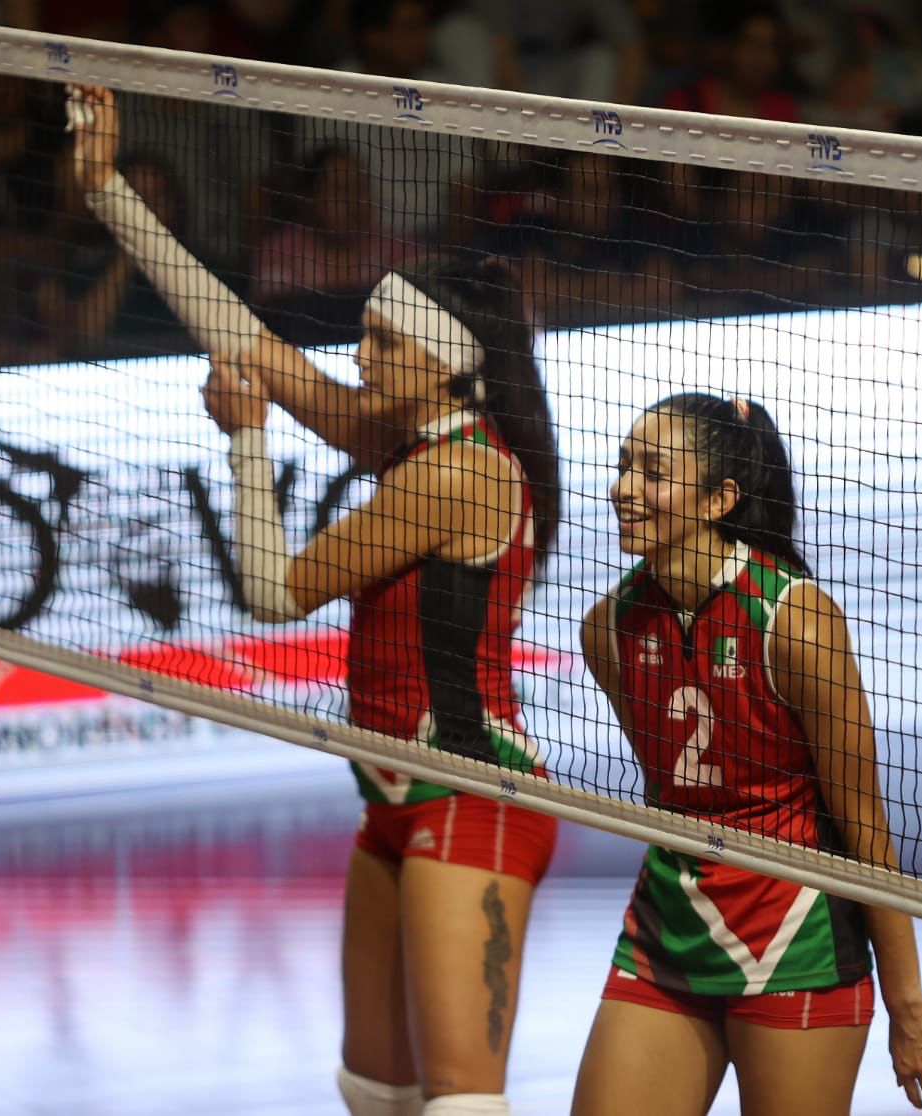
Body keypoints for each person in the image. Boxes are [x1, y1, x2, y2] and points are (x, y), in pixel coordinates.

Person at [69, 84, 561, 1116]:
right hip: (389, 790)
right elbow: (241, 335)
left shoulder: (456, 475)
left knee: (460, 1103)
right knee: (375, 1092)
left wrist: (246, 437)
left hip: (467, 791)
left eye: (386, 343)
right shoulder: (411, 438)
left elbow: (272, 590)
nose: (359, 354)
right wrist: (107, 191)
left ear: (449, 365)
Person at [572, 393, 922, 1116]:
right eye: (623, 465)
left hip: (797, 940)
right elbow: (669, 795)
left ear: (720, 498)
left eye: (652, 470)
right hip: (670, 926)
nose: (624, 488)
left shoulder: (797, 622)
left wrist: (907, 999)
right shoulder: (609, 629)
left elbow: (865, 827)